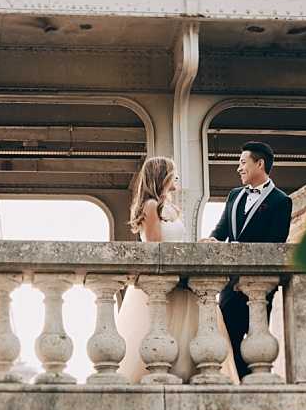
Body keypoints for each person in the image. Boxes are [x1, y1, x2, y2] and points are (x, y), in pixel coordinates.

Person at [117, 156, 230, 383]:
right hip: (164, 282)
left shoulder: (170, 207)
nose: (176, 177)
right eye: (172, 172)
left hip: (181, 280)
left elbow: (177, 244)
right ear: (162, 177)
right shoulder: (150, 206)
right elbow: (156, 245)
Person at [202, 141, 292, 381]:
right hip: (229, 285)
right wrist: (212, 240)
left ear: (259, 164)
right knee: (227, 338)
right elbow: (222, 229)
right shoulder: (234, 195)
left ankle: (246, 383)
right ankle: (238, 382)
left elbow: (275, 244)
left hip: (257, 288)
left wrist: (238, 249)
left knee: (254, 341)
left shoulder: (281, 202)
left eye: (243, 162)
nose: (238, 168)